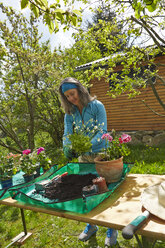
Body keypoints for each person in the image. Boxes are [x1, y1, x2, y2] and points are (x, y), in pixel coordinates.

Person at [59, 77, 118, 247]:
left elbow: (102, 131)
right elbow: (67, 134)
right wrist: (67, 147)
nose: (71, 98)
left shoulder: (97, 106)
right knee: (85, 190)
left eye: (72, 94)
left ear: (80, 90)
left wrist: (86, 145)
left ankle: (111, 228)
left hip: (101, 154)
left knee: (105, 190)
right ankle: (91, 226)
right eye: (67, 96)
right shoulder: (70, 112)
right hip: (83, 156)